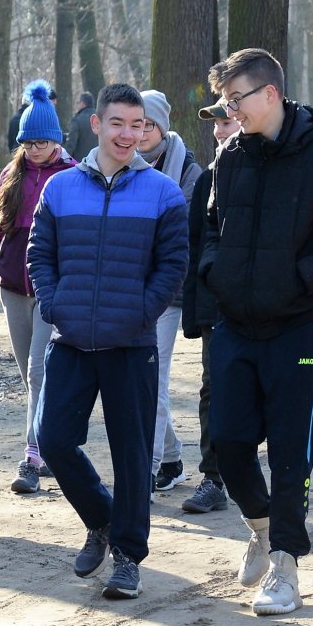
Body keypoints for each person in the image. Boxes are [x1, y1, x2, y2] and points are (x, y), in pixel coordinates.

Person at [198, 49, 313, 615]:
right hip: (234, 327)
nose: (230, 110)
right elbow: (210, 230)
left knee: (291, 455)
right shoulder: (229, 156)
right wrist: (213, 272)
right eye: (226, 101)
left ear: (269, 94)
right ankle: (262, 526)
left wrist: (297, 279)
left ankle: (287, 569)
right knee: (227, 442)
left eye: (237, 99)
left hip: (296, 331)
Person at [27, 83, 189, 602]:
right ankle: (100, 518)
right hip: (70, 340)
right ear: (96, 125)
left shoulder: (164, 192)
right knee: (52, 440)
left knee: (134, 454)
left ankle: (127, 558)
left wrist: (142, 312)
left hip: (131, 345)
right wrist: (54, 306)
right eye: (117, 123)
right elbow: (39, 255)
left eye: (137, 125)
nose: (128, 134)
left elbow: (173, 266)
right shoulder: (60, 189)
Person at [0, 79, 74, 494]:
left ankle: (32, 458)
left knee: (40, 373)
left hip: (51, 289)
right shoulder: (12, 174)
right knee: (31, 377)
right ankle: (55, 444)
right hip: (12, 288)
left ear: (56, 140)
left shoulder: (73, 176)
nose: (37, 149)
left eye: (44, 141)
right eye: (29, 142)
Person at [136, 89, 204, 494]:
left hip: (170, 291)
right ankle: (174, 458)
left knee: (152, 380)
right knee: (138, 378)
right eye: (136, 123)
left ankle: (148, 466)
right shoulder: (121, 164)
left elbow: (184, 240)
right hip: (130, 289)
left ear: (162, 127)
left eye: (149, 124)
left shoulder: (189, 173)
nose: (141, 132)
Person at [179, 101, 242, 515]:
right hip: (217, 313)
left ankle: (267, 479)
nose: (219, 131)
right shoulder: (207, 181)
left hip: (271, 313)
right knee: (212, 390)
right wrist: (198, 314)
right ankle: (213, 478)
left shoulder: (280, 175)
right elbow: (195, 247)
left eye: (226, 121)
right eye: (217, 124)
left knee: (261, 395)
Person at [8, 82, 61, 151]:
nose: (34, 149)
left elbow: (10, 144)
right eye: (28, 142)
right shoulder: (41, 118)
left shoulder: (14, 119)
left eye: (41, 142)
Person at [65, 90, 99, 161]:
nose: (77, 104)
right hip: (99, 163)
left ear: (83, 103)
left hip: (81, 163)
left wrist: (65, 160)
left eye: (78, 102)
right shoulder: (101, 118)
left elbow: (71, 143)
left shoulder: (77, 120)